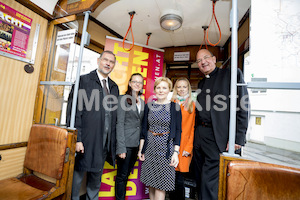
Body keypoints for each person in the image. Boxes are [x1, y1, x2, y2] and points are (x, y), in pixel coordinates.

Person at [194, 49, 249, 200]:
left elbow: (244, 105)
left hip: (218, 136)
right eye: (199, 61)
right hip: (199, 135)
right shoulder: (201, 82)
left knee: (209, 180)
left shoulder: (231, 74)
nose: (203, 62)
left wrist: (238, 137)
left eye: (206, 58)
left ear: (214, 58)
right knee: (198, 177)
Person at [67, 50, 119, 200]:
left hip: (104, 141)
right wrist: (77, 139)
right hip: (85, 139)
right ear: (98, 61)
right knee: (77, 176)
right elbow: (74, 111)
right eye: (105, 60)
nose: (108, 63)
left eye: (111, 62)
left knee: (96, 176)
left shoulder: (114, 87)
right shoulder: (83, 81)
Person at [138, 77, 182, 200]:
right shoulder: (149, 106)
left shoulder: (175, 107)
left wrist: (176, 153)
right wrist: (141, 150)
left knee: (161, 186)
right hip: (150, 148)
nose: (161, 90)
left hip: (166, 150)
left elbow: (178, 131)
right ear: (155, 90)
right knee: (151, 183)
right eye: (158, 87)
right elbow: (144, 129)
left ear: (169, 90)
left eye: (164, 88)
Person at [115, 73, 145, 200]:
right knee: (121, 176)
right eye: (135, 81)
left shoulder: (142, 102)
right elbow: (119, 123)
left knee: (126, 174)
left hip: (136, 144)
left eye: (140, 82)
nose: (137, 84)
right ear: (130, 83)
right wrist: (121, 147)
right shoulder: (122, 99)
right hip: (125, 144)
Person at [169, 78, 196, 200]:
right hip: (171, 143)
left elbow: (192, 128)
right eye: (179, 87)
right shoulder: (171, 102)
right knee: (170, 177)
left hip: (184, 144)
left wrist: (188, 147)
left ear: (188, 88)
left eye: (184, 87)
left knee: (179, 178)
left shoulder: (192, 104)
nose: (181, 89)